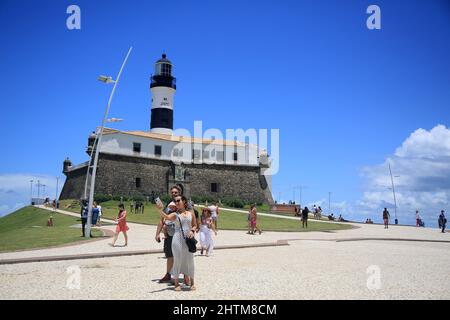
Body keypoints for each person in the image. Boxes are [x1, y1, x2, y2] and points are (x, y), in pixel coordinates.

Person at [157, 195, 197, 291]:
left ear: (184, 201)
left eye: (178, 200)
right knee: (177, 260)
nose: (177, 202)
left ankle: (192, 282)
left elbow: (195, 225)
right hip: (177, 239)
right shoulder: (175, 214)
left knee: (190, 260)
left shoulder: (191, 213)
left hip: (188, 240)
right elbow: (166, 217)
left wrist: (192, 231)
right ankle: (176, 283)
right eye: (175, 201)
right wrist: (159, 209)